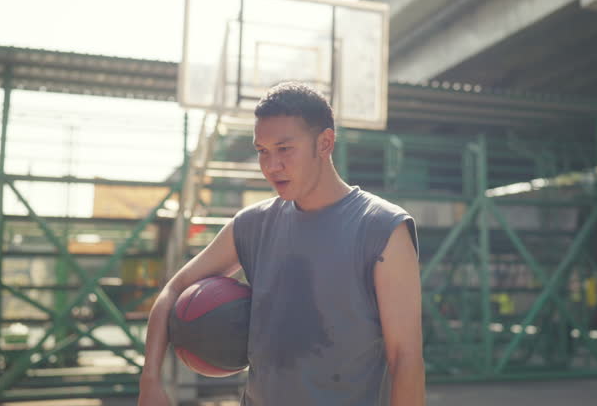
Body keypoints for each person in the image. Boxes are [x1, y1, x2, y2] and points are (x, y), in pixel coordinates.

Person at [138, 82, 424, 406]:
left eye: (284, 149)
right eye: (262, 151)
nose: (272, 166)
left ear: (325, 143)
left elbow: (406, 360)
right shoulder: (252, 225)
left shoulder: (383, 227)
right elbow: (173, 291)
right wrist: (150, 381)